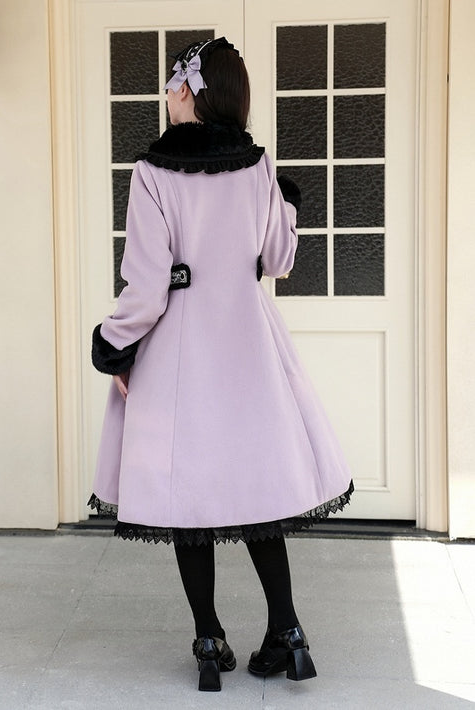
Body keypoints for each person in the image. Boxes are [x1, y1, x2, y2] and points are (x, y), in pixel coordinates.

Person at [89, 37, 353, 692]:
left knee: (188, 493)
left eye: (171, 84)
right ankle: (287, 630)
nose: (166, 94)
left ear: (188, 90)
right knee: (259, 488)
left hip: (179, 348)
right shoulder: (257, 165)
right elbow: (277, 261)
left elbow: (147, 286)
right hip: (248, 345)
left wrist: (113, 343)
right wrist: (283, 200)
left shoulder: (152, 172)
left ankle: (208, 639)